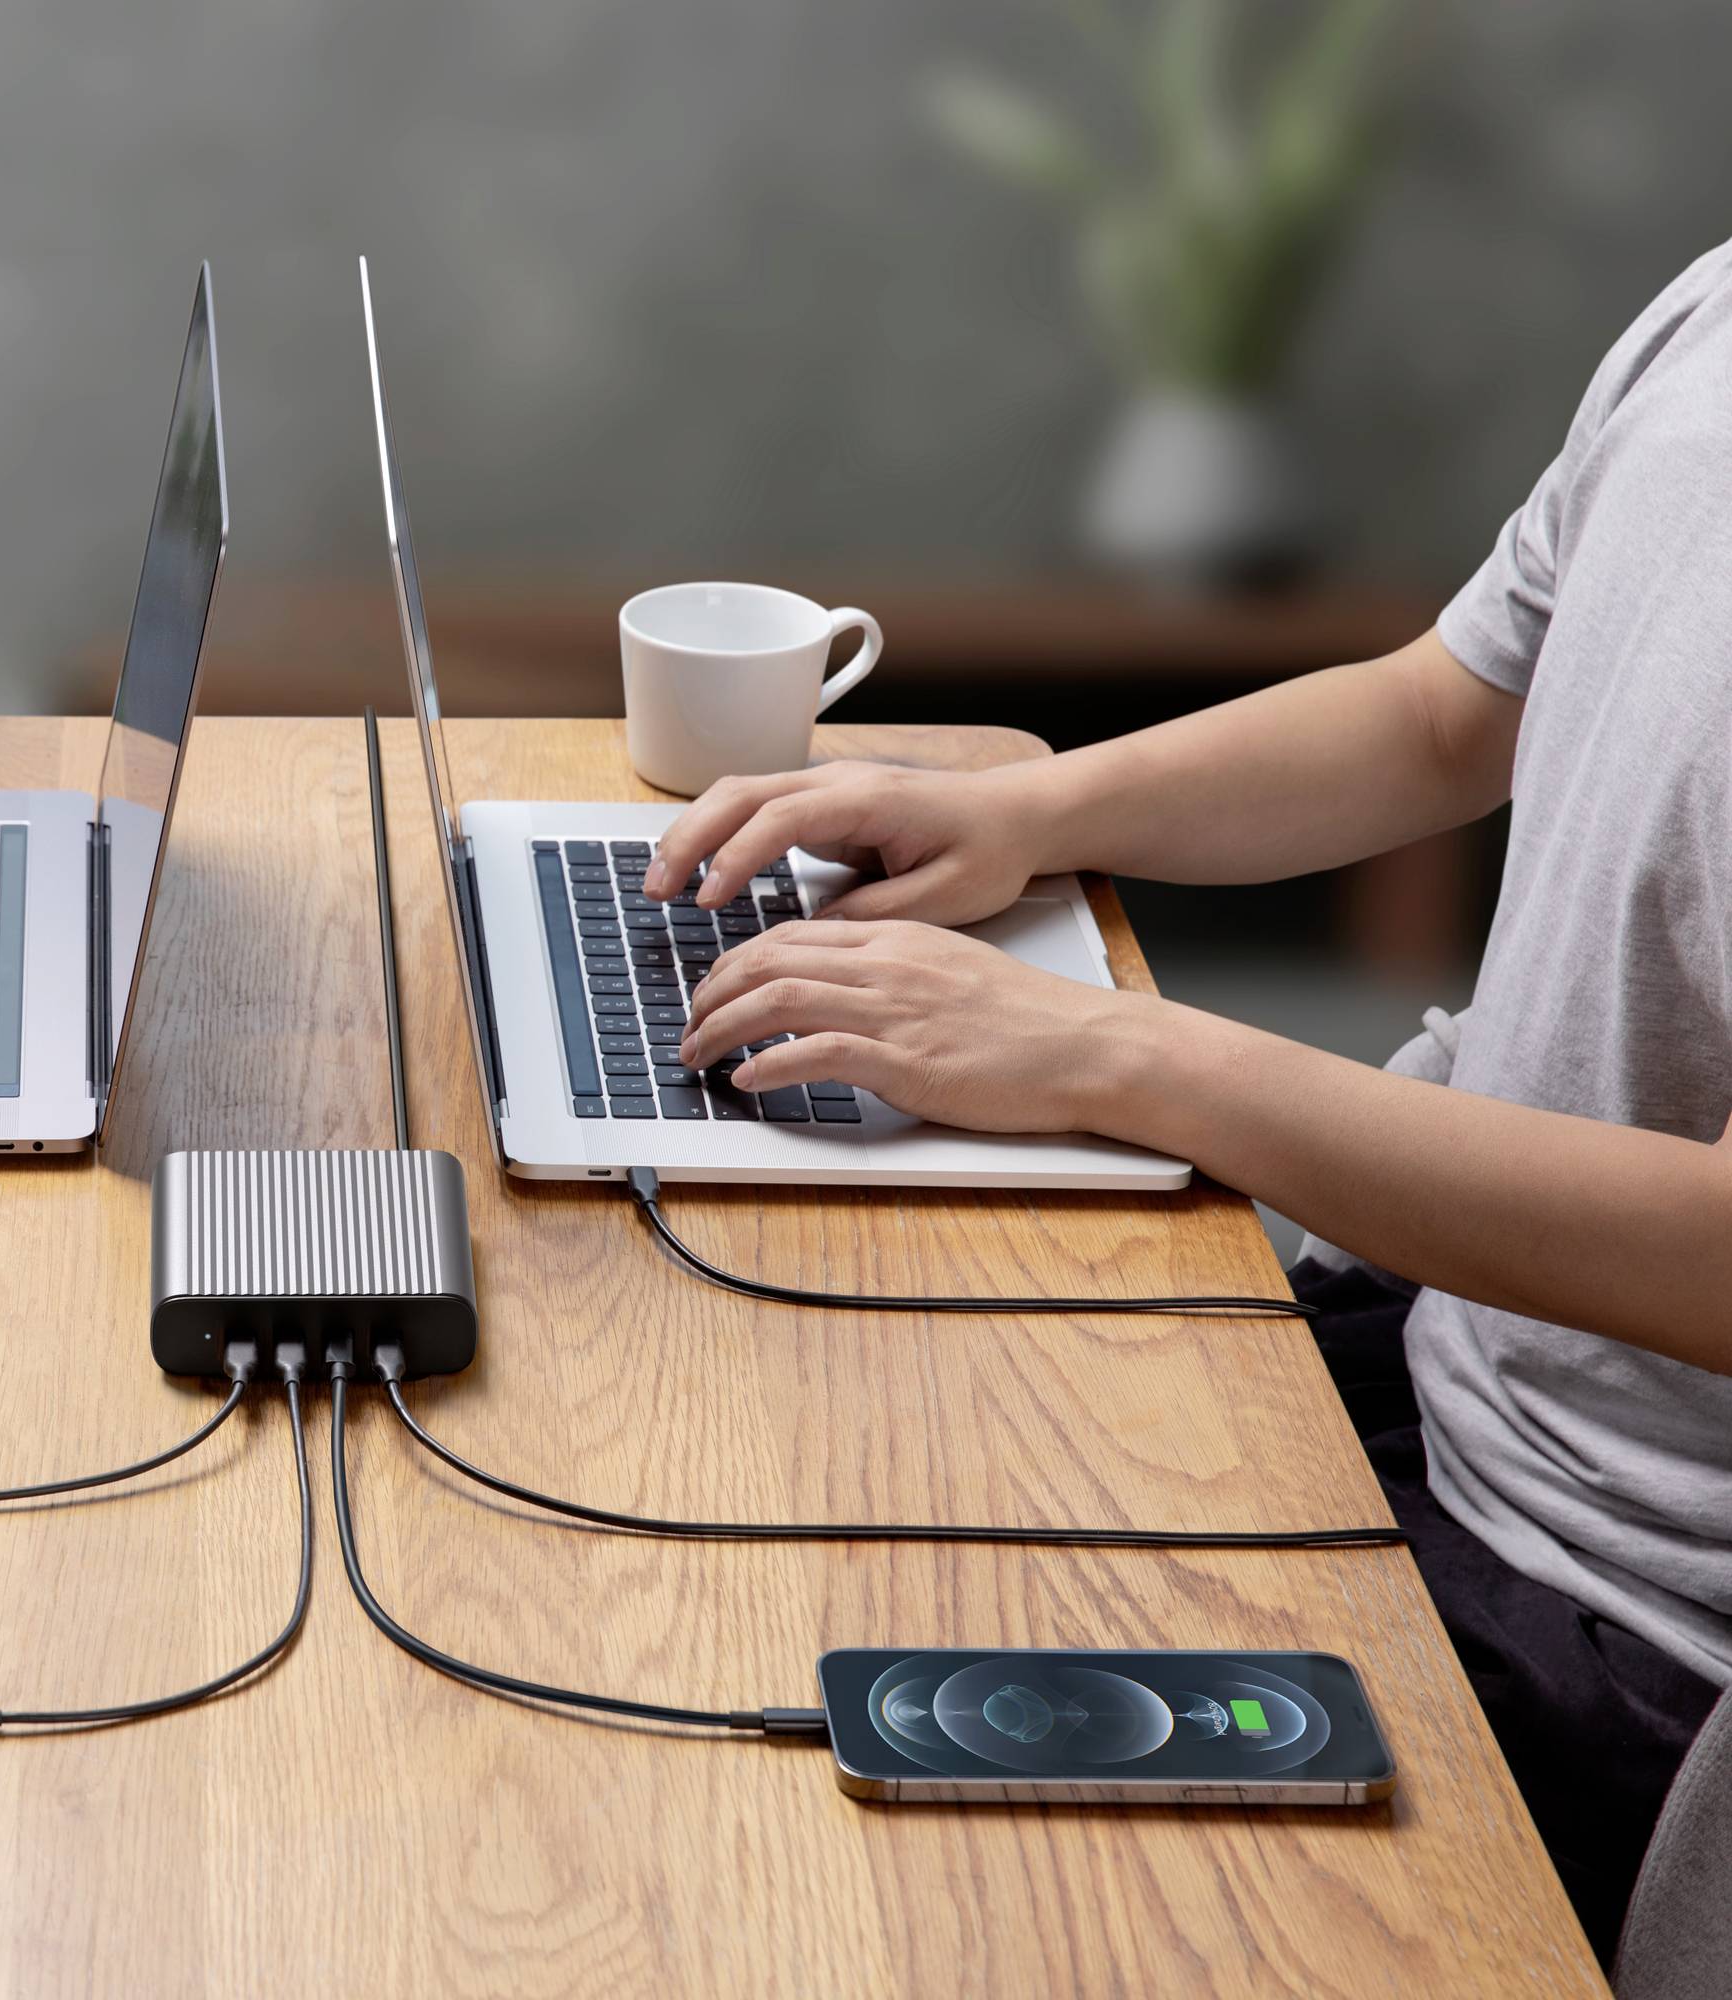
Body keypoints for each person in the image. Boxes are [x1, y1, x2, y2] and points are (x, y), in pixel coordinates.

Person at [650, 240, 1732, 1959]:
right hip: (1415, 1352)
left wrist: (1113, 1056)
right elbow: (1444, 713)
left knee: (853, 1897)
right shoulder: (1713, 312)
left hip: (1609, 1615)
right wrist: (1033, 812)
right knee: (755, 1522)